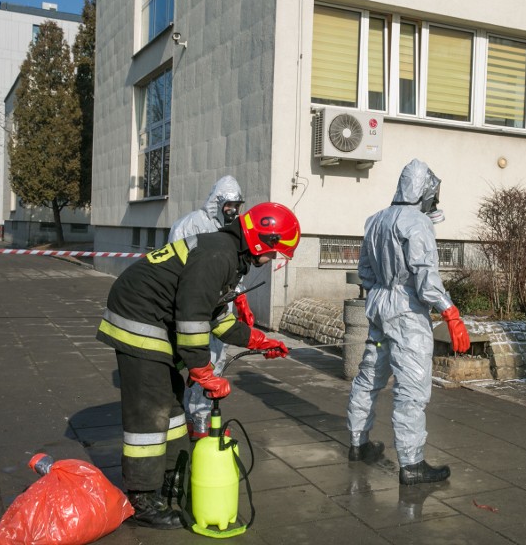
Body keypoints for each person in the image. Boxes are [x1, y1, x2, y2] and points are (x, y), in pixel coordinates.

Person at [96, 202, 300, 529]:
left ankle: (171, 478)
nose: (273, 260)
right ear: (265, 240)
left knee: (173, 407)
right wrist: (202, 371)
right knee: (150, 409)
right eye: (276, 253)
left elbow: (216, 317)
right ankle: (142, 498)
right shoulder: (219, 256)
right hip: (139, 317)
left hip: (151, 315)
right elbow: (192, 318)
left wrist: (260, 340)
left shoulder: (228, 255)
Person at [346, 159, 471, 486]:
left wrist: (382, 294)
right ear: (425, 191)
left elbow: (365, 272)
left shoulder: (375, 220)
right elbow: (426, 279)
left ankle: (358, 444)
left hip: (379, 306)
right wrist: (450, 311)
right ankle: (412, 463)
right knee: (411, 387)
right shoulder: (417, 224)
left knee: (369, 376)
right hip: (407, 313)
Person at [168, 175, 251, 441]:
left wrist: (240, 298)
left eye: (237, 206)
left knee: (214, 362)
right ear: (218, 202)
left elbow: (235, 269)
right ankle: (195, 422)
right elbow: (173, 265)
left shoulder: (232, 230)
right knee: (198, 363)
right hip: (195, 308)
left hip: (219, 308)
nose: (234, 211)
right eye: (229, 205)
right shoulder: (190, 225)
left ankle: (199, 421)